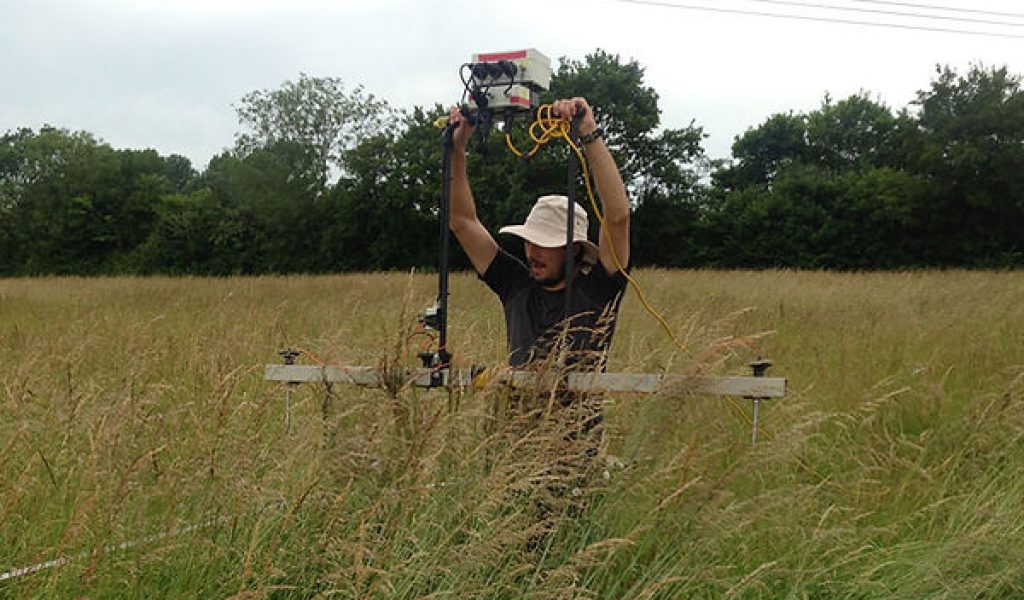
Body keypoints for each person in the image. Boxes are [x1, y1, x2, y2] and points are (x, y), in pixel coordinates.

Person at [448, 97, 631, 372]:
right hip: (514, 416)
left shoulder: (598, 290)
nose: (533, 252)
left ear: (575, 249)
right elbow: (462, 221)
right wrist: (457, 148)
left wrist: (588, 133)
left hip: (578, 417)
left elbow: (617, 218)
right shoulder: (516, 285)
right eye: (530, 241)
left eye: (546, 243)